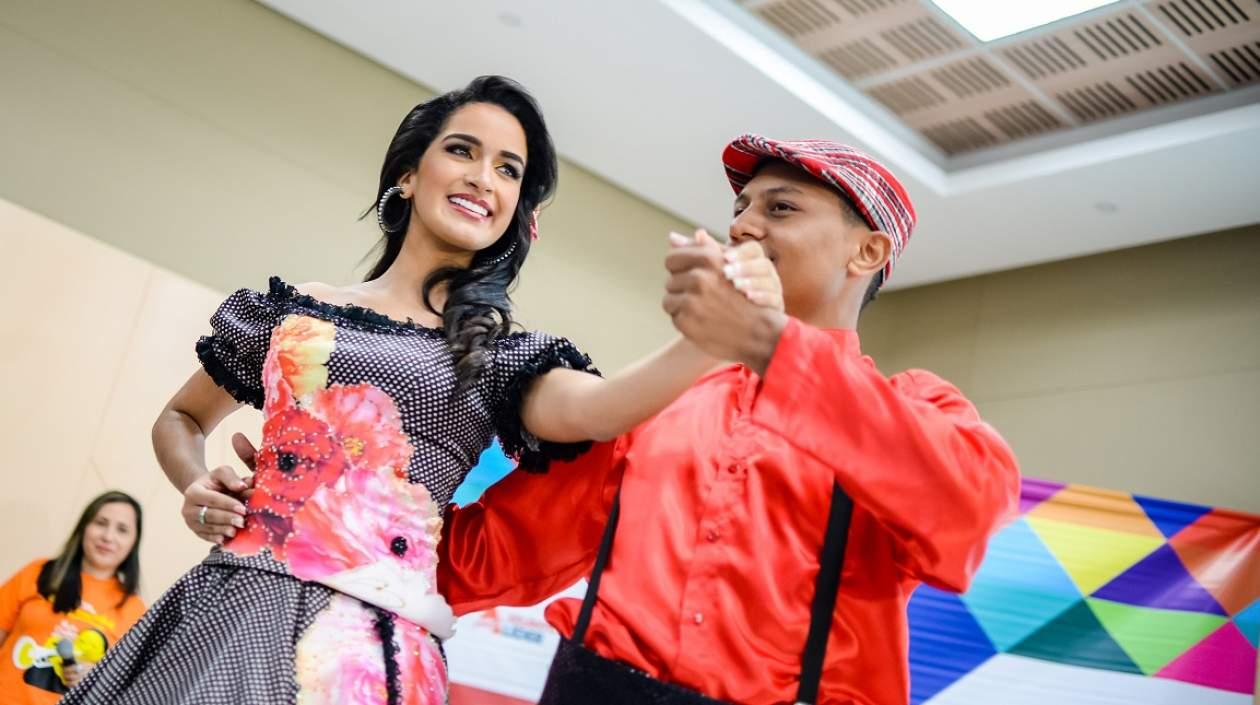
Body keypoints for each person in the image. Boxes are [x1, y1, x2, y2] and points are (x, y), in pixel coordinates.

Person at [61, 76, 780, 705]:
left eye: (508, 169)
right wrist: (194, 484)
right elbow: (181, 417)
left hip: (368, 648)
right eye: (463, 150)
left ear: (513, 211)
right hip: (230, 605)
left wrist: (711, 338)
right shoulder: (296, 307)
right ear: (407, 173)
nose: (483, 178)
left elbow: (600, 407)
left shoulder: (496, 355)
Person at [438, 136, 1023, 704]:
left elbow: (968, 509)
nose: (742, 226)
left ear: (867, 252)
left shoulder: (913, 407)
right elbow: (490, 553)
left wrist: (779, 347)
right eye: (740, 209)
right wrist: (364, 533)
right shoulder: (662, 401)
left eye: (781, 208)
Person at [0, 491, 144, 705]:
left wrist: (97, 680)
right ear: (84, 527)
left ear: (133, 543)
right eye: (101, 523)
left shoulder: (136, 611)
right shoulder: (37, 572)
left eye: (122, 530)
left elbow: (129, 687)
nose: (108, 536)